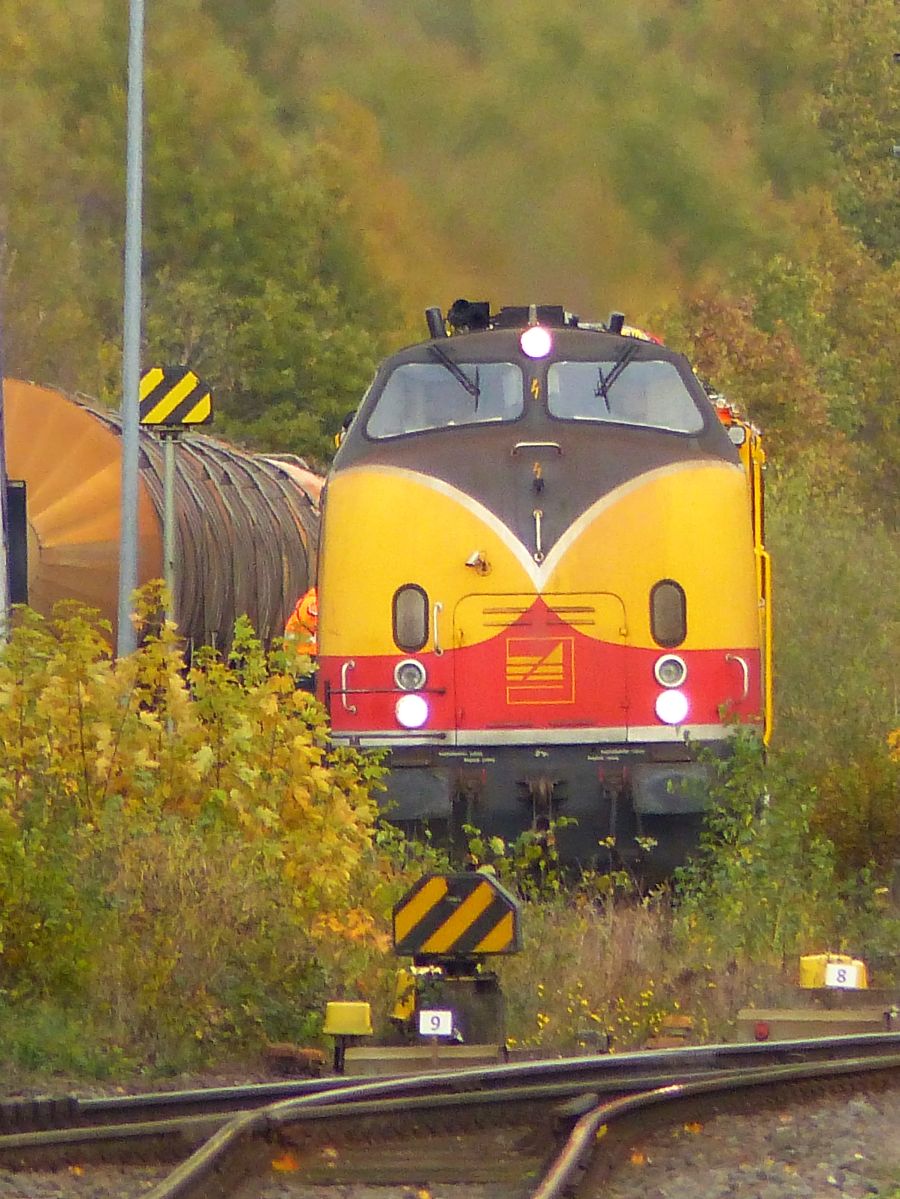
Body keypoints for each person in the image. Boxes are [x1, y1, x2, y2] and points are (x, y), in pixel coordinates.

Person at [285, 585, 318, 656]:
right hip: (301, 651)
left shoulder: (313, 600)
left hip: (301, 649)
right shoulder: (312, 602)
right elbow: (313, 622)